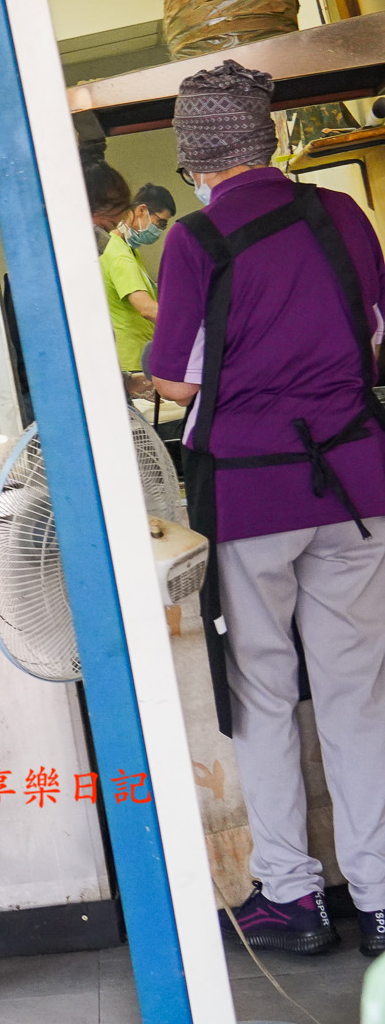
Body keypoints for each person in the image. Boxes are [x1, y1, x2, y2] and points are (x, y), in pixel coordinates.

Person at [148, 59, 385, 960]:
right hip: (359, 486)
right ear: (270, 137)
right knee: (359, 693)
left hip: (252, 494)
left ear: (193, 153)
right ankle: (380, 893)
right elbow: (374, 334)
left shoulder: (194, 240)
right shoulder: (343, 215)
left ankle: (293, 895)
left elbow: (176, 375)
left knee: (260, 693)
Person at [91, 163, 160, 387]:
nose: (103, 237)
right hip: (130, 358)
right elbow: (146, 308)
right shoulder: (118, 252)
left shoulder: (130, 250)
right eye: (160, 222)